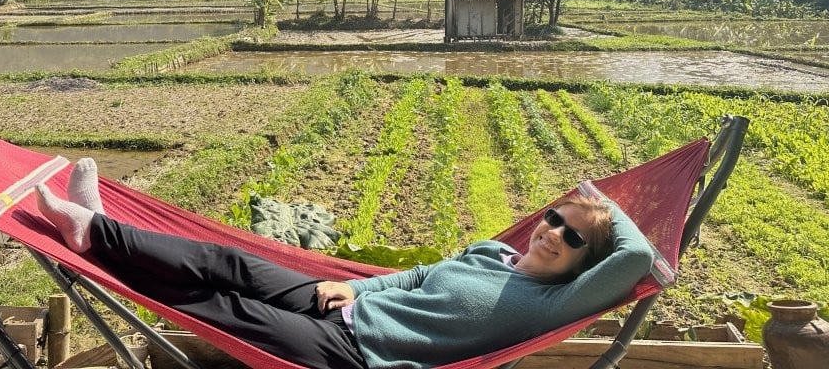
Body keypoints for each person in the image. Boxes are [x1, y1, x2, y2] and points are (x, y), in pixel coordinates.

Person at [36, 159, 654, 369]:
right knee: (231, 260)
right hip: (348, 303)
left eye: (573, 239)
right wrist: (353, 287)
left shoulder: (554, 302)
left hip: (358, 355)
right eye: (554, 219)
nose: (553, 234)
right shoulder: (494, 254)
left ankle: (97, 236)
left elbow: (636, 257)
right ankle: (103, 230)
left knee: (223, 309)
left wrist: (598, 200)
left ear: (581, 266)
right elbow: (415, 277)